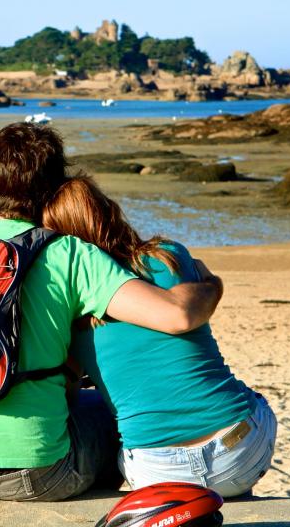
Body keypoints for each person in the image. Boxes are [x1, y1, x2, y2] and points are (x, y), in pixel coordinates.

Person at [0, 123, 223, 502]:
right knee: (109, 414)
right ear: (57, 185)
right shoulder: (69, 253)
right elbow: (178, 316)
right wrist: (210, 285)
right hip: (39, 475)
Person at [42, 176, 277, 498]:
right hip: (239, 453)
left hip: (156, 472)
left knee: (107, 412)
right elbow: (193, 296)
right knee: (250, 400)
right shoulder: (168, 255)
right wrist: (212, 283)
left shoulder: (70, 306)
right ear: (109, 211)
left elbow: (66, 394)